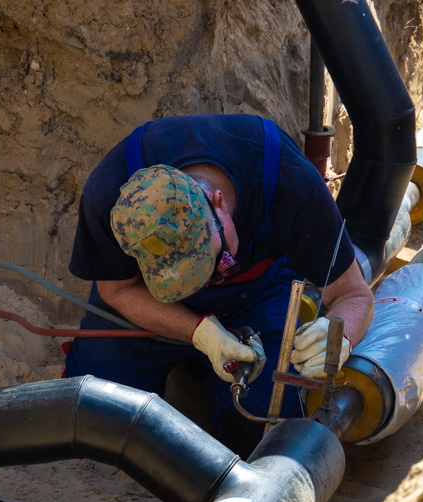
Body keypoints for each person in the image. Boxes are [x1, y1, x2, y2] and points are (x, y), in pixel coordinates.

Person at [64, 114, 373, 450]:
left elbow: (354, 295)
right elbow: (118, 289)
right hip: (150, 305)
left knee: (274, 414)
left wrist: (336, 337)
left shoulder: (289, 182)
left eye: (215, 262)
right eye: (182, 276)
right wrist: (200, 332)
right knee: (91, 411)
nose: (206, 283)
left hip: (256, 294)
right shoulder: (110, 195)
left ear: (219, 204)